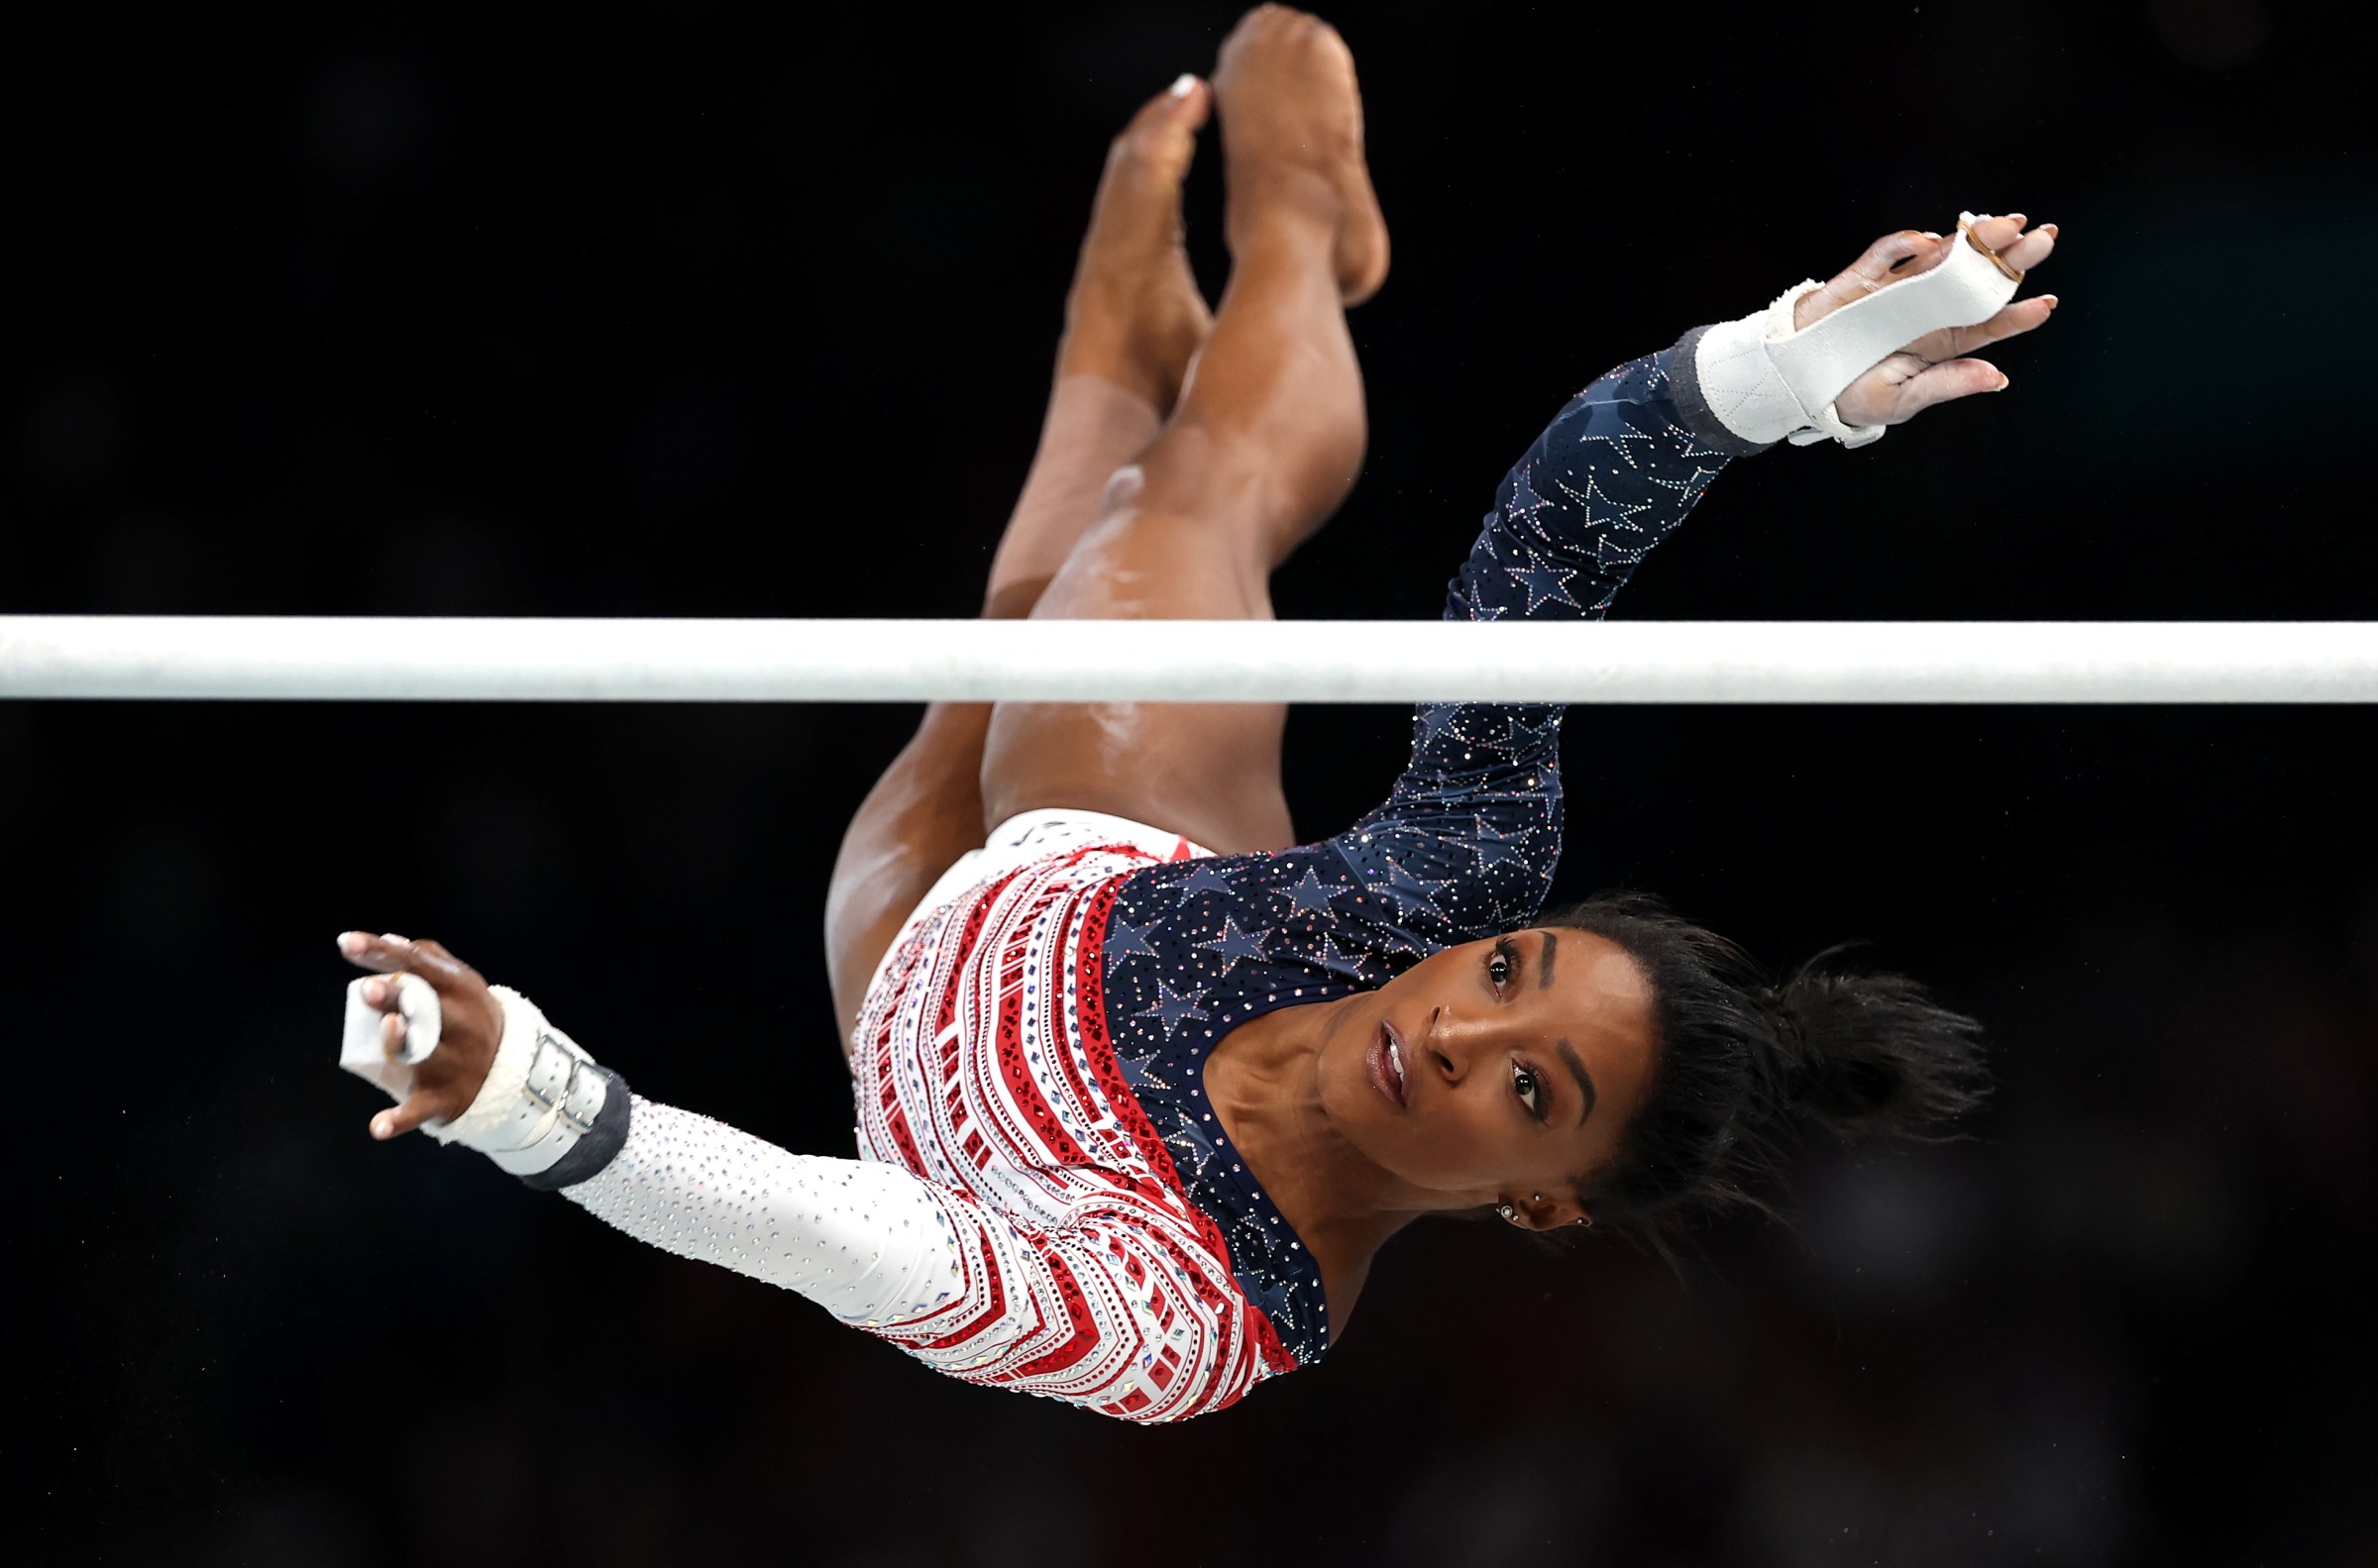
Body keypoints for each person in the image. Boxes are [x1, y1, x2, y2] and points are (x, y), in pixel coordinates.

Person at [337, 6, 2051, 1422]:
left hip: (912, 1036)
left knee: (1009, 627)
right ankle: (1301, 233)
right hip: (1114, 851)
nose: (1459, 1032)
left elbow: (834, 1237)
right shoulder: (1450, 883)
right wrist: (1773, 376)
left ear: (1542, 1201)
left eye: (1534, 1098)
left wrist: (536, 1105)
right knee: (1184, 508)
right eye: (1510, 978)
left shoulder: (1189, 1319)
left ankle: (1116, 342)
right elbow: (1543, 543)